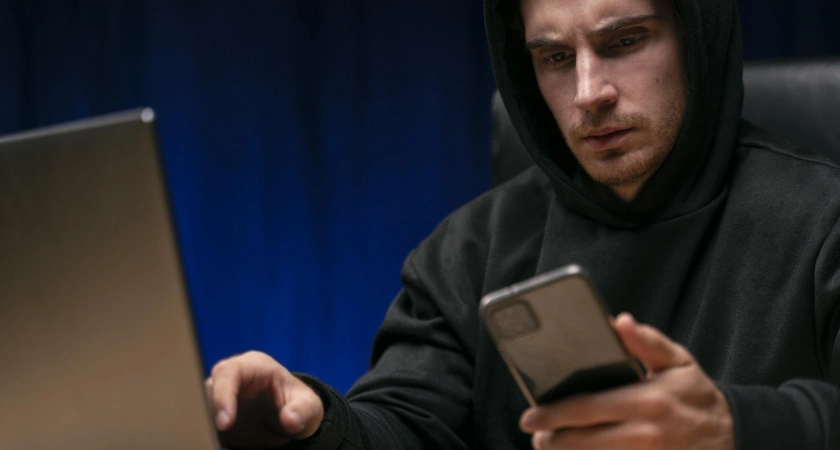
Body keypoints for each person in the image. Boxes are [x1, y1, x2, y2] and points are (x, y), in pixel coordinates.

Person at [204, 0, 840, 448]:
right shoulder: (469, 250)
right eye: (556, 57)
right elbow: (407, 425)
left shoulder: (823, 220)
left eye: (624, 42)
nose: (589, 92)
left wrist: (734, 427)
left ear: (695, 34)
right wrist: (313, 424)